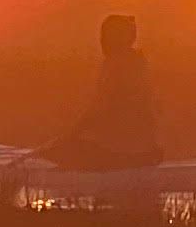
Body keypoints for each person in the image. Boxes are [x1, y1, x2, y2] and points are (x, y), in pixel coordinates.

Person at [44, 12, 161, 171]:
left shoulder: (114, 64)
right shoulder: (139, 62)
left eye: (105, 36)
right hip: (147, 150)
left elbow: (98, 111)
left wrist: (67, 137)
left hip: (121, 151)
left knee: (58, 152)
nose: (102, 41)